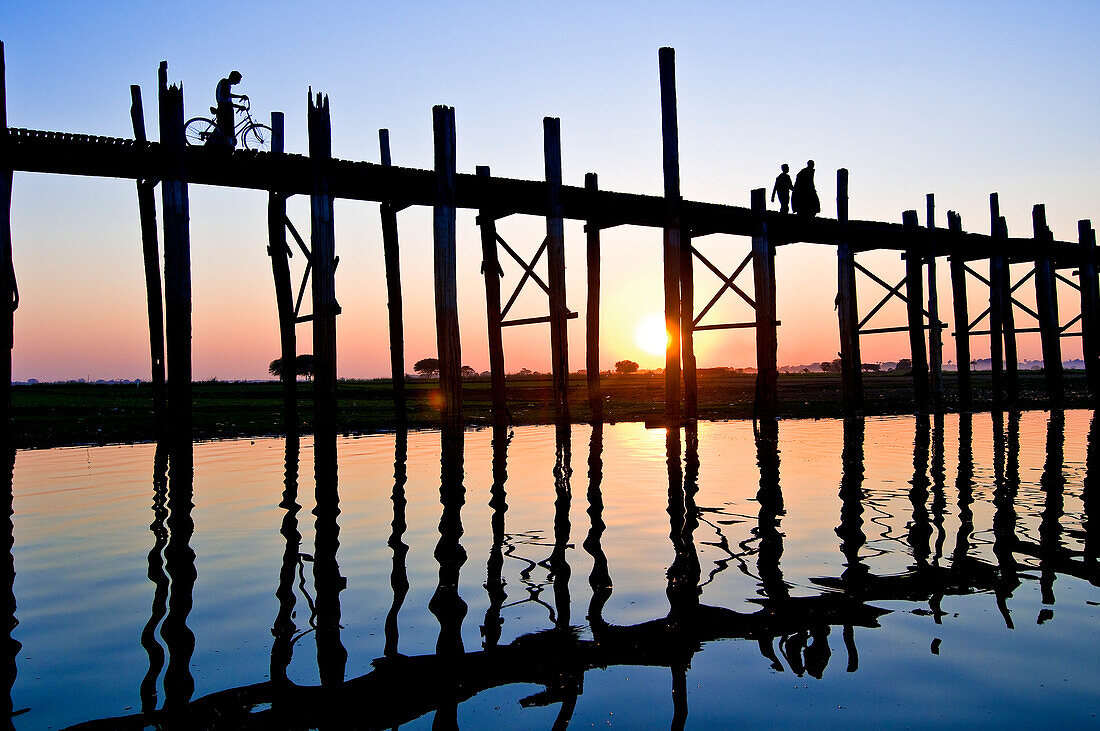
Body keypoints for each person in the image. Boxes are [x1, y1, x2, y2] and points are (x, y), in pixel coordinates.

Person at [212, 71, 247, 147]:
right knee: (225, 128)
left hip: (226, 108)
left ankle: (225, 143)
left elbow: (228, 102)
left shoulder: (227, 84)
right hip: (224, 109)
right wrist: (240, 96)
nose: (238, 83)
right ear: (234, 78)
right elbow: (226, 95)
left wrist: (239, 106)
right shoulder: (224, 82)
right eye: (238, 80)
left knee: (224, 129)